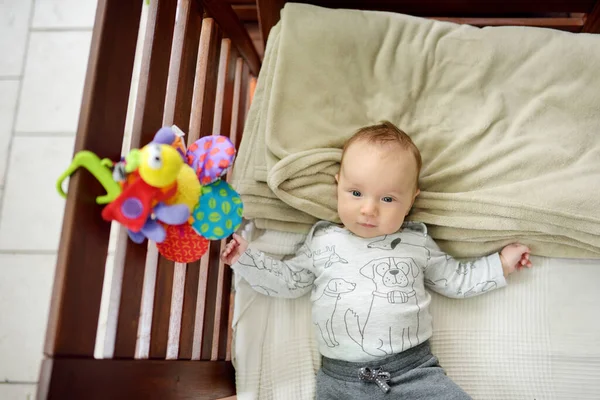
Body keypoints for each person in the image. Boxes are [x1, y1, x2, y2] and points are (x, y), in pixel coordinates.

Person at [221, 121, 532, 399]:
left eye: (387, 199)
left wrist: (500, 264)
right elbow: (289, 281)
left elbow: (454, 278)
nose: (369, 210)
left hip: (413, 372)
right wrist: (246, 258)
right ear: (337, 185)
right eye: (356, 193)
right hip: (339, 382)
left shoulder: (416, 242)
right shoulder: (323, 241)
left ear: (411, 200)